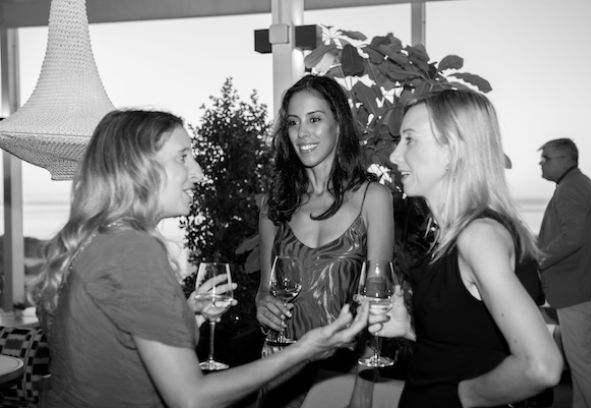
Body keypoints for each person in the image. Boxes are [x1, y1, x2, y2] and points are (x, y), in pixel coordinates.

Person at [31, 109, 370, 408]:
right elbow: (191, 398)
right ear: (137, 168)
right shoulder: (133, 251)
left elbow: (118, 353)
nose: (198, 172)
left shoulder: (102, 238)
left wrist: (190, 313)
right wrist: (304, 350)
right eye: (183, 157)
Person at [369, 88, 563, 408]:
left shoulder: (479, 236)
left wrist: (460, 397)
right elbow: (476, 345)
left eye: (410, 140)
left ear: (452, 151)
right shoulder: (456, 234)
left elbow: (541, 366)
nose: (394, 156)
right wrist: (409, 329)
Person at [255, 74, 394, 407]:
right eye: (293, 122)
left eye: (314, 119)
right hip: (279, 371)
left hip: (342, 373)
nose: (302, 133)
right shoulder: (275, 203)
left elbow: (378, 303)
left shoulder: (373, 198)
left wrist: (364, 389)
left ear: (339, 125)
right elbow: (264, 291)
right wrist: (262, 305)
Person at [537, 138, 591, 408]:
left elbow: (572, 237)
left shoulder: (571, 189)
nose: (541, 164)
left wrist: (539, 258)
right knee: (582, 364)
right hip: (585, 283)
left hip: (577, 286)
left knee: (583, 364)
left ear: (565, 160)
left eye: (546, 158)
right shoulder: (580, 184)